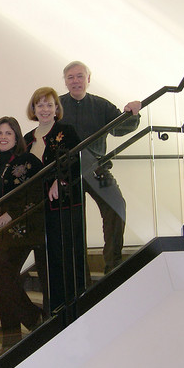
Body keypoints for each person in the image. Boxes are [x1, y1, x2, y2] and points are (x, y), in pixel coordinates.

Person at [60, 61, 141, 275]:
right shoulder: (57, 105)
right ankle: (79, 275)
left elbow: (121, 127)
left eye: (79, 76)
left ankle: (113, 265)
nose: (75, 80)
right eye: (70, 77)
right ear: (65, 82)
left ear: (88, 78)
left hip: (97, 169)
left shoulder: (101, 105)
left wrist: (132, 112)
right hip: (66, 173)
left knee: (116, 206)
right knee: (73, 221)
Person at [0, 117, 44, 359]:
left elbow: (37, 193)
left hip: (20, 232)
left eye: (8, 133)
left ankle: (36, 320)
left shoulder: (29, 162)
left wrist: (11, 214)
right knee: (0, 284)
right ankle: (9, 342)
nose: (3, 137)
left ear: (17, 137)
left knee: (5, 275)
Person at [23, 87, 85, 315]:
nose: (45, 109)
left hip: (64, 205)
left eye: (50, 105)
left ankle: (74, 305)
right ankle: (55, 310)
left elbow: (77, 160)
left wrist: (61, 180)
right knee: (48, 262)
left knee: (66, 256)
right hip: (39, 210)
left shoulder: (66, 131)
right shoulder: (27, 139)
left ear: (57, 108)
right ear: (33, 109)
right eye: (40, 105)